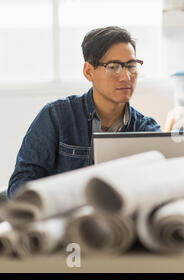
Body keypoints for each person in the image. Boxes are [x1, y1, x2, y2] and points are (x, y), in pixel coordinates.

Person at [7, 26, 161, 198]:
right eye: (113, 67)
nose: (126, 76)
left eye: (131, 66)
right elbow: (20, 185)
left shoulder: (146, 129)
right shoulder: (56, 117)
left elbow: (165, 182)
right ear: (88, 72)